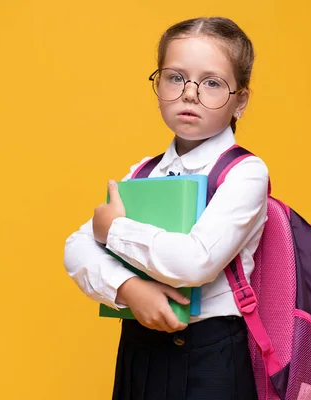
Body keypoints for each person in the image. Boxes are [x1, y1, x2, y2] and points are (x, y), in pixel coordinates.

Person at [64, 16, 268, 400]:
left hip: (211, 355)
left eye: (212, 83)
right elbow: (75, 247)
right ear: (158, 85)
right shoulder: (143, 171)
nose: (190, 94)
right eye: (175, 77)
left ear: (240, 101)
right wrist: (128, 289)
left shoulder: (245, 173)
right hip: (140, 348)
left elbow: (194, 262)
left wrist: (115, 231)